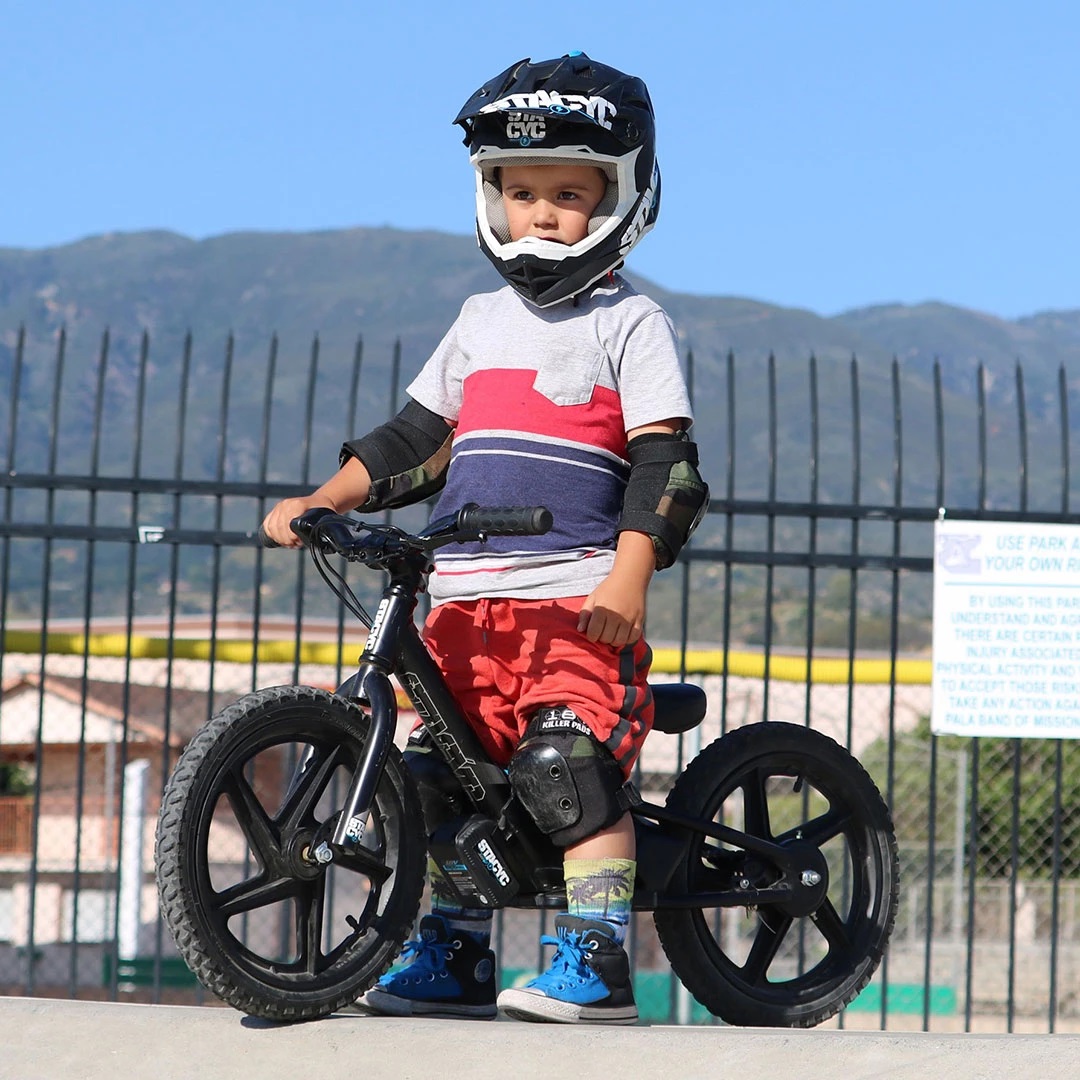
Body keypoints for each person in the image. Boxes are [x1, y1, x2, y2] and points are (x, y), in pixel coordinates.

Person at [261, 51, 708, 1025]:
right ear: (490, 197)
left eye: (568, 193)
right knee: (433, 783)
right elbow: (416, 444)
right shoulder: (477, 321)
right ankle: (449, 955)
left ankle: (595, 957)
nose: (541, 212)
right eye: (521, 192)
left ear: (620, 196)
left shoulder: (632, 323)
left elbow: (666, 467)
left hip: (576, 603)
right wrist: (322, 497)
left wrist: (629, 578)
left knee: (566, 775)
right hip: (463, 607)